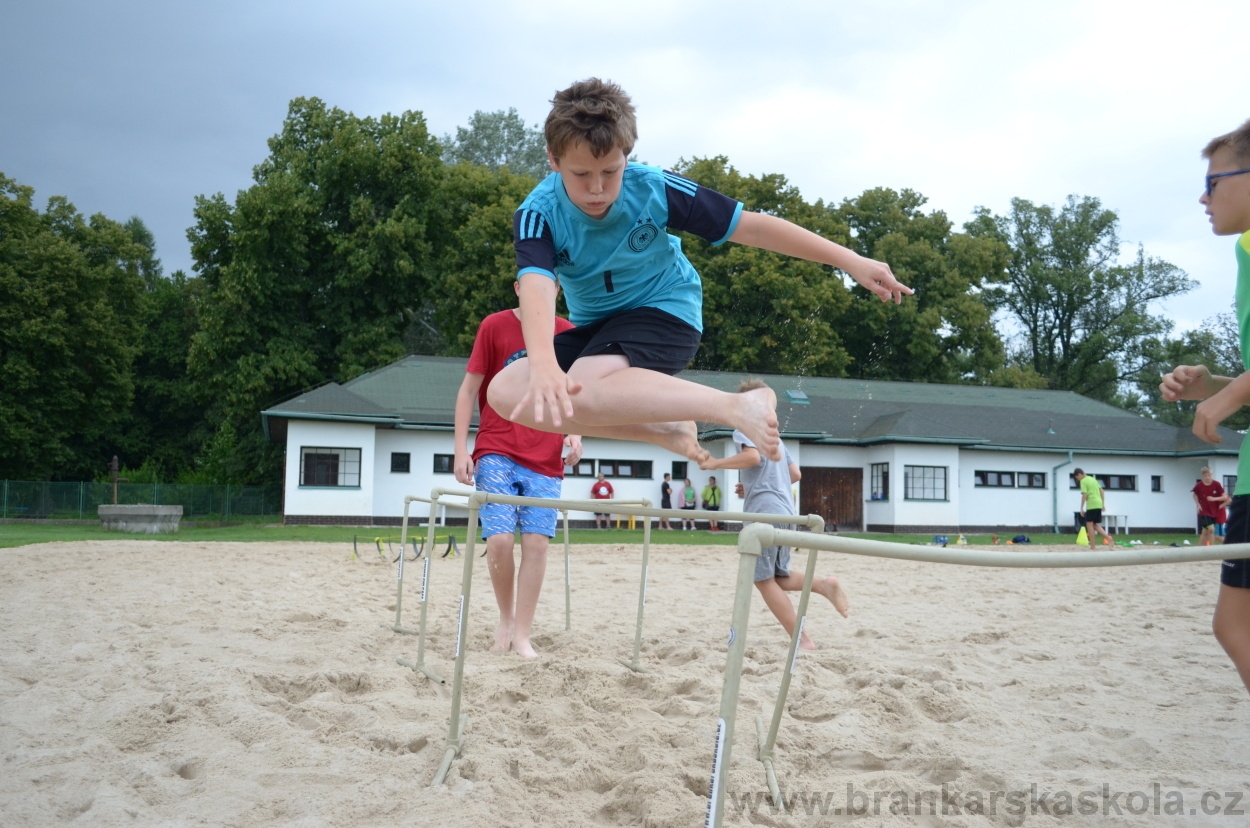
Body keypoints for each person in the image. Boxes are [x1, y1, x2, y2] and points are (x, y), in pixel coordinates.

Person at [486, 78, 911, 470]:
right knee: (505, 392)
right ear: (553, 159)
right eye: (582, 175)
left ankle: (735, 406)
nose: (597, 189)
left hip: (665, 309)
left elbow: (754, 226)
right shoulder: (538, 213)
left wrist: (849, 259)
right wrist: (542, 365)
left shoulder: (654, 188)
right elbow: (537, 287)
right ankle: (664, 429)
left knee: (579, 383)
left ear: (627, 157)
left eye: (610, 172)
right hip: (597, 329)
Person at [1159, 117, 1250, 694]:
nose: (1202, 196)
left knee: (1234, 624)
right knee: (1233, 625)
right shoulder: (1245, 251)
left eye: (1214, 182)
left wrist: (1228, 396)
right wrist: (1214, 386)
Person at [453, 282, 582, 658]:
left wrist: (575, 433)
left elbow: (577, 392)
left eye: (549, 287)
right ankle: (506, 619)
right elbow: (467, 391)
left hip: (545, 454)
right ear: (517, 289)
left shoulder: (567, 333)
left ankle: (522, 634)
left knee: (537, 545)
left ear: (558, 290)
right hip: (496, 446)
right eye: (531, 287)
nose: (540, 293)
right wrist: (460, 449)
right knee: (500, 540)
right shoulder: (494, 326)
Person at [701, 379, 849, 649]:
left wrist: (716, 463)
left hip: (765, 515)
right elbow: (794, 474)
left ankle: (802, 639)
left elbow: (753, 458)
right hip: (785, 512)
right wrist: (754, 485)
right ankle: (824, 585)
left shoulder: (746, 425)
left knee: (762, 580)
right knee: (779, 577)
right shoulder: (776, 438)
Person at [1073, 469, 1113, 549]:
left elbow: (1084, 495)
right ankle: (1108, 538)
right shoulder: (1092, 479)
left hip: (1092, 504)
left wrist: (1081, 508)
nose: (1077, 479)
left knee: (1089, 525)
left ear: (1079, 474)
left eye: (1077, 477)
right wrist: (1102, 504)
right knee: (1094, 524)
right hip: (1098, 503)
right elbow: (1102, 491)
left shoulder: (1083, 481)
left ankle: (1093, 546)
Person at [1193, 466, 1230, 546]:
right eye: (1205, 476)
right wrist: (1198, 505)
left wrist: (1214, 499)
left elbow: (1225, 497)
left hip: (1214, 511)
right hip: (1204, 511)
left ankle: (1198, 548)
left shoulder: (1216, 484)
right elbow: (1195, 495)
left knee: (1205, 531)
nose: (1207, 477)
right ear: (1203, 476)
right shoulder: (1199, 485)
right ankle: (1212, 548)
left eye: (1209, 475)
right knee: (1211, 529)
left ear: (1211, 475)